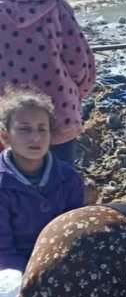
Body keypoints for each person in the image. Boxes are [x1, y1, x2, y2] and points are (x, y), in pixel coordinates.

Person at [0, 0, 96, 165]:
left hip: (10, 121)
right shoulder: (54, 5)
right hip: (57, 117)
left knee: (11, 181)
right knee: (61, 180)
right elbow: (79, 61)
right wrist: (78, 92)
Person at [0, 88, 84, 274]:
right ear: (5, 136)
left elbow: (74, 233)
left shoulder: (68, 178)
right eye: (24, 129)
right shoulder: (3, 185)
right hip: (14, 271)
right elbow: (3, 252)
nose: (36, 138)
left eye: (42, 129)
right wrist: (33, 278)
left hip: (61, 263)